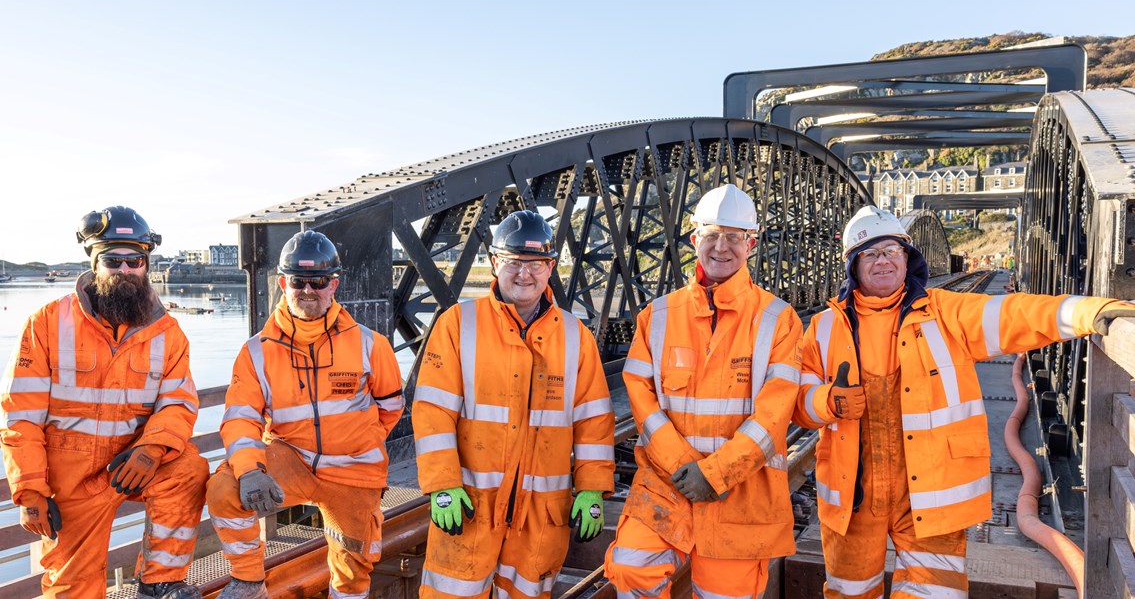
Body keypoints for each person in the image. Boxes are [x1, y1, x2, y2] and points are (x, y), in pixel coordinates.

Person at [793, 205, 1135, 598]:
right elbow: (799, 402)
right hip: (853, 500)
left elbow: (1015, 314)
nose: (882, 260)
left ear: (907, 258)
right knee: (849, 592)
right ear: (854, 265)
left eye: (891, 250)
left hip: (933, 495)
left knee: (934, 594)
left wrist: (1087, 310)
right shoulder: (823, 329)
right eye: (870, 253)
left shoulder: (946, 313)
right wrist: (827, 401)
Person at [604, 183, 803, 599]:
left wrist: (714, 474)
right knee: (630, 567)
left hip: (742, 492)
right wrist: (684, 467)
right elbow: (641, 399)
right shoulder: (657, 316)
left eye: (734, 237)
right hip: (667, 483)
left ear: (752, 242)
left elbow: (773, 416)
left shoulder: (778, 320)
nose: (721, 247)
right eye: (712, 235)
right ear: (695, 240)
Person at [1, 206, 208, 599]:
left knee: (189, 470)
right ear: (95, 263)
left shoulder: (169, 334)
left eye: (135, 260)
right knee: (71, 589)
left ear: (146, 264)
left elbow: (179, 403)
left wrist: (151, 447)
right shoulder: (47, 322)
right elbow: (20, 414)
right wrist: (30, 490)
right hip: (70, 477)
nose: (125, 269)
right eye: (113, 260)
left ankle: (160, 582)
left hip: (135, 462)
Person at [412, 209, 615, 599]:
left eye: (536, 264)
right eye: (514, 262)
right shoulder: (459, 324)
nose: (525, 274)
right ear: (494, 263)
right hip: (470, 508)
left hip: (540, 517)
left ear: (551, 267)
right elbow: (433, 411)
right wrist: (442, 484)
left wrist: (592, 488)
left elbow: (594, 421)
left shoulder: (576, 337)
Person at [207, 230, 404, 599]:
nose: (308, 290)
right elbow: (240, 417)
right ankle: (248, 581)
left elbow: (391, 408)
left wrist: (358, 444)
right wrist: (249, 470)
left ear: (335, 284)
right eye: (299, 281)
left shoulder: (370, 344)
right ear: (283, 283)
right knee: (224, 489)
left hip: (353, 469)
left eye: (319, 281)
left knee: (353, 568)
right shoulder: (256, 352)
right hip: (290, 459)